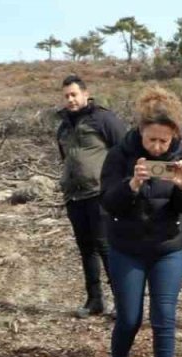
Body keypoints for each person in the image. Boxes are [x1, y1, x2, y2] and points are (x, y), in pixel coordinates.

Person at [99, 87, 182, 357]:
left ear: (174, 136)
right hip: (127, 246)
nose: (157, 147)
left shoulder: (180, 158)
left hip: (167, 247)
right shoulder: (119, 155)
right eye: (151, 139)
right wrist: (132, 185)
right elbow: (108, 202)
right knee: (129, 317)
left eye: (163, 142)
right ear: (140, 131)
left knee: (164, 317)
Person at [56, 75, 127, 318]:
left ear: (85, 94)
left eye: (74, 94)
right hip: (74, 195)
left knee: (106, 246)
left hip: (100, 194)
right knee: (86, 248)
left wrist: (119, 187)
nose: (70, 100)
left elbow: (123, 150)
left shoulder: (103, 119)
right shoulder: (63, 126)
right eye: (66, 96)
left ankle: (122, 301)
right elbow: (65, 157)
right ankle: (95, 300)